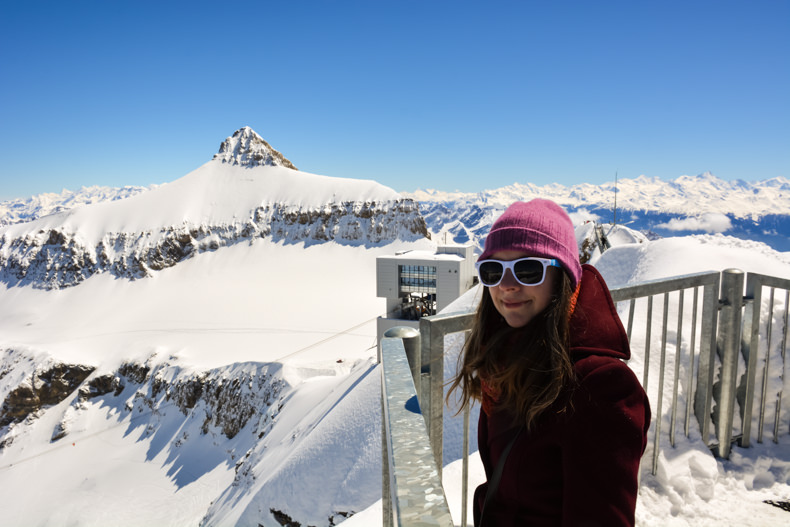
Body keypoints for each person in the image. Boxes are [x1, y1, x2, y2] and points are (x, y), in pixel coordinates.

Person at [448, 199, 651, 527]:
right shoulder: (505, 360)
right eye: (493, 270)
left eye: (528, 269)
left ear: (562, 277)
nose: (507, 285)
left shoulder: (599, 386)